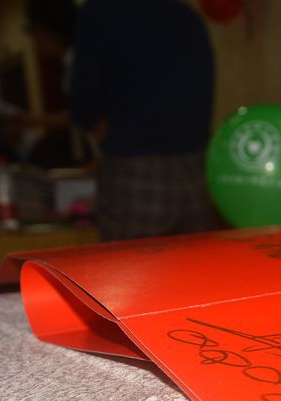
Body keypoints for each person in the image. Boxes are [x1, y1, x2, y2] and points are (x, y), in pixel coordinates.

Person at [69, 0, 219, 241]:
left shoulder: (100, 12)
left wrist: (102, 127)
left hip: (135, 173)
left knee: (130, 264)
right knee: (198, 263)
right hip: (195, 172)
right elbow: (204, 92)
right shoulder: (186, 14)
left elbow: (84, 100)